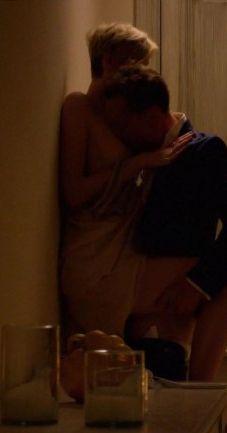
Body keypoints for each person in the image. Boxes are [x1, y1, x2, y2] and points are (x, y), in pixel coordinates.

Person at [102, 65, 227, 381]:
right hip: (128, 319)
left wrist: (196, 286)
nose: (115, 133)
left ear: (151, 117)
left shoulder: (200, 152)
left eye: (121, 125)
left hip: (168, 321)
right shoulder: (134, 155)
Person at [58, 23, 194, 340]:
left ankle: (179, 366)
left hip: (128, 242)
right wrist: (138, 163)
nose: (141, 75)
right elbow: (73, 193)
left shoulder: (123, 117)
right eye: (138, 64)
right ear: (108, 62)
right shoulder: (79, 108)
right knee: (207, 277)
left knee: (192, 295)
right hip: (96, 253)